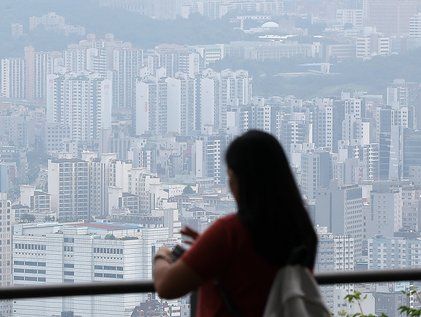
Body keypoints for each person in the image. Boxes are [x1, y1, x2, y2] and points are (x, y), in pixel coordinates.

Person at [153, 130, 318, 316]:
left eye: (230, 176)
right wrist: (206, 249)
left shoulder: (229, 233)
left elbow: (166, 287)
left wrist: (161, 255)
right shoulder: (303, 232)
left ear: (240, 181)